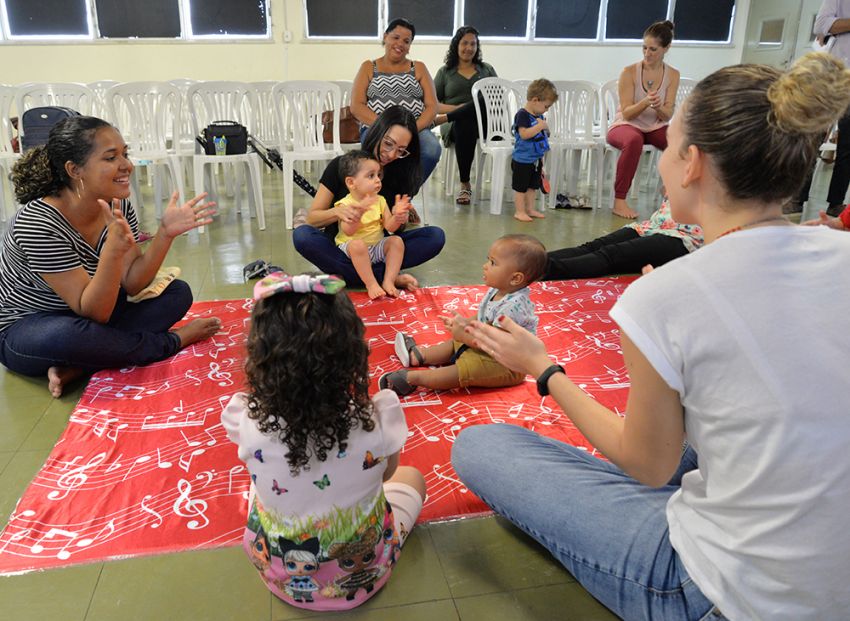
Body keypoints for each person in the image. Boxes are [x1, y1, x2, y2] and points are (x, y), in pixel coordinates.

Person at [452, 52, 850, 620]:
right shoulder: (840, 249)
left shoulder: (666, 294)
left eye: (670, 144)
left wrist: (543, 367)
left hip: (723, 594)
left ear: (692, 164)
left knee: (480, 446)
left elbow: (648, 467)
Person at [221, 272, 426, 611]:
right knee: (413, 477)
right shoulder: (379, 415)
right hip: (365, 575)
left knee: (262, 484)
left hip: (279, 576)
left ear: (258, 356)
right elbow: (388, 475)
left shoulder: (244, 416)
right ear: (353, 352)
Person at [0, 116, 219, 398]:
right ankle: (169, 342)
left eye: (125, 154)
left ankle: (80, 366)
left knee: (178, 293)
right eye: (111, 157)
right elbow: (93, 312)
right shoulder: (38, 223)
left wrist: (165, 234)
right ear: (74, 169)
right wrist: (112, 251)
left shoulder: (118, 203)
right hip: (33, 326)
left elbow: (133, 283)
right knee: (69, 336)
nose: (127, 165)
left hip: (93, 317)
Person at [293, 106, 445, 290]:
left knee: (435, 236)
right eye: (388, 143)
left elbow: (393, 229)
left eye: (401, 150)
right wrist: (338, 212)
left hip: (378, 247)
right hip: (342, 248)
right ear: (377, 132)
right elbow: (312, 219)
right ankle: (385, 276)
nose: (391, 154)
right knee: (302, 236)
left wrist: (400, 217)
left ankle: (356, 275)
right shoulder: (342, 166)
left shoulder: (402, 175)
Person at [379, 234, 545, 396]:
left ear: (515, 278)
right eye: (488, 259)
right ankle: (419, 356)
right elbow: (484, 316)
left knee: (465, 370)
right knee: (456, 343)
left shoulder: (514, 308)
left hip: (508, 364)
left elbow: (494, 344)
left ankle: (415, 379)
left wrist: (463, 335)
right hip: (487, 348)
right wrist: (465, 324)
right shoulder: (499, 290)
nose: (485, 266)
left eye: (493, 263)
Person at [351, 17, 441, 186]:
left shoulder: (418, 67)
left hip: (415, 128)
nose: (400, 44)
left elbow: (432, 106)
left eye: (406, 41)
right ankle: (378, 194)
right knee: (377, 152)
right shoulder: (369, 67)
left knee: (431, 149)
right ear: (385, 37)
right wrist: (385, 127)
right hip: (376, 127)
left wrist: (411, 129)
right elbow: (356, 105)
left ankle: (404, 195)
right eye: (396, 37)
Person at [607, 20, 680, 219]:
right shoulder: (629, 72)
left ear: (666, 48)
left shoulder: (673, 75)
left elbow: (667, 115)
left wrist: (658, 106)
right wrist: (646, 102)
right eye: (644, 48)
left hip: (654, 126)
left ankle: (670, 187)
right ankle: (619, 202)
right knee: (633, 140)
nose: (647, 53)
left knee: (681, 142)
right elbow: (627, 113)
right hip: (625, 125)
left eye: (653, 49)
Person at [543, 199, 703, 280]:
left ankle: (541, 270)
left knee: (610, 255)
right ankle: (535, 260)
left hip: (685, 237)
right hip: (653, 225)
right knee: (592, 247)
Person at [433, 25, 497, 205]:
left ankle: (446, 119)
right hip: (457, 125)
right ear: (456, 45)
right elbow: (433, 105)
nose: (469, 48)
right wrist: (456, 110)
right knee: (465, 121)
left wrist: (460, 110)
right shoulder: (445, 72)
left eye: (473, 44)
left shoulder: (486, 69)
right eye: (464, 43)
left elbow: (496, 99)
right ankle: (465, 184)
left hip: (486, 122)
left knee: (483, 98)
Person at [334, 151, 411, 299]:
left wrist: (397, 217)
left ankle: (389, 281)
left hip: (376, 248)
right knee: (357, 245)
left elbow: (389, 227)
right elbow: (348, 231)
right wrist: (359, 213)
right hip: (351, 250)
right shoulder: (346, 204)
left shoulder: (380, 200)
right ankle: (371, 284)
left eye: (378, 175)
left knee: (396, 241)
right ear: (351, 183)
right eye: (371, 176)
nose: (377, 180)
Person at [809, 0, 850, 216]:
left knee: (848, 146)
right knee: (812, 136)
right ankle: (796, 198)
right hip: (833, 75)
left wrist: (837, 25)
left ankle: (836, 202)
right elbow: (821, 25)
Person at [511, 79, 557, 222]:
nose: (547, 109)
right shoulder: (522, 115)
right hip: (522, 160)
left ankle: (530, 209)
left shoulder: (539, 116)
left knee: (532, 187)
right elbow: (524, 134)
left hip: (536, 160)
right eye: (546, 106)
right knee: (521, 188)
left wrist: (545, 127)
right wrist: (540, 126)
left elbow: (544, 134)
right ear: (535, 100)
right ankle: (519, 211)